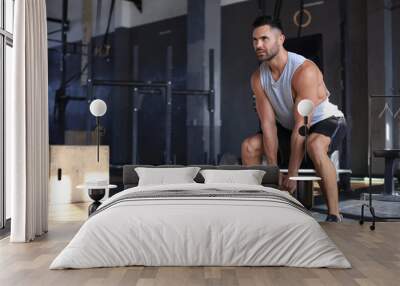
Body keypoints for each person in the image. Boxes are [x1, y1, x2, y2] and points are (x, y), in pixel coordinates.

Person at [241, 16, 347, 222]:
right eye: (255, 40)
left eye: (264, 38)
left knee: (314, 146)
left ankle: (334, 215)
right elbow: (268, 125)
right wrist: (273, 171)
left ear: (281, 39)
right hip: (289, 126)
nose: (258, 45)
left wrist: (292, 174)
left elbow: (302, 126)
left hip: (324, 121)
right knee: (249, 146)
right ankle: (263, 209)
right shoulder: (258, 77)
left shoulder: (304, 71)